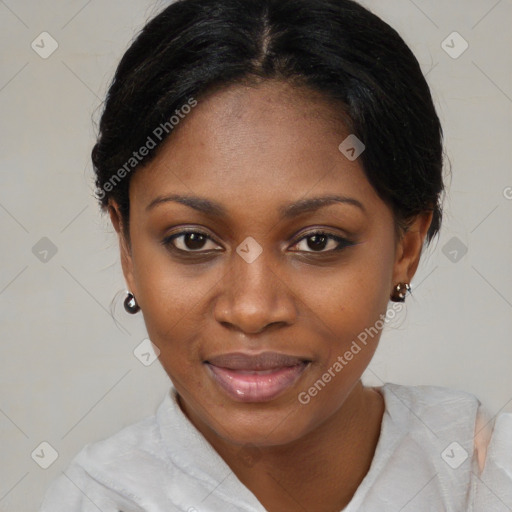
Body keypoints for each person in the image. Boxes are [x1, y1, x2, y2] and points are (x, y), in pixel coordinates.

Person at [39, 0, 512, 510]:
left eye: (317, 241)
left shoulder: (480, 472)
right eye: (192, 240)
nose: (252, 309)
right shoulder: (96, 500)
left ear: (406, 247)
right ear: (127, 248)